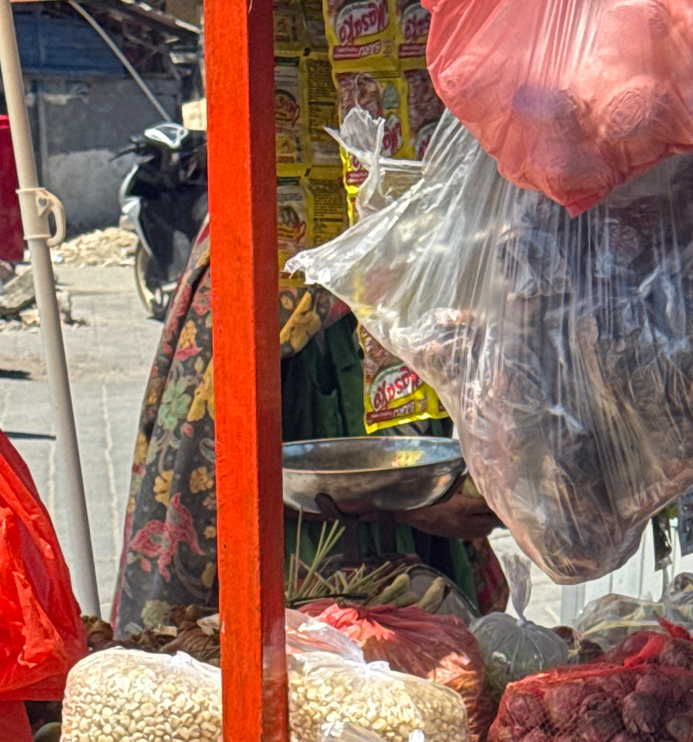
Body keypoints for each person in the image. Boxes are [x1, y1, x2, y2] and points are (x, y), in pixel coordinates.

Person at [113, 225, 507, 637]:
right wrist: (409, 504)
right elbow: (226, 474)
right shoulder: (254, 278)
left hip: (415, 564)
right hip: (294, 577)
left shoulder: (411, 257)